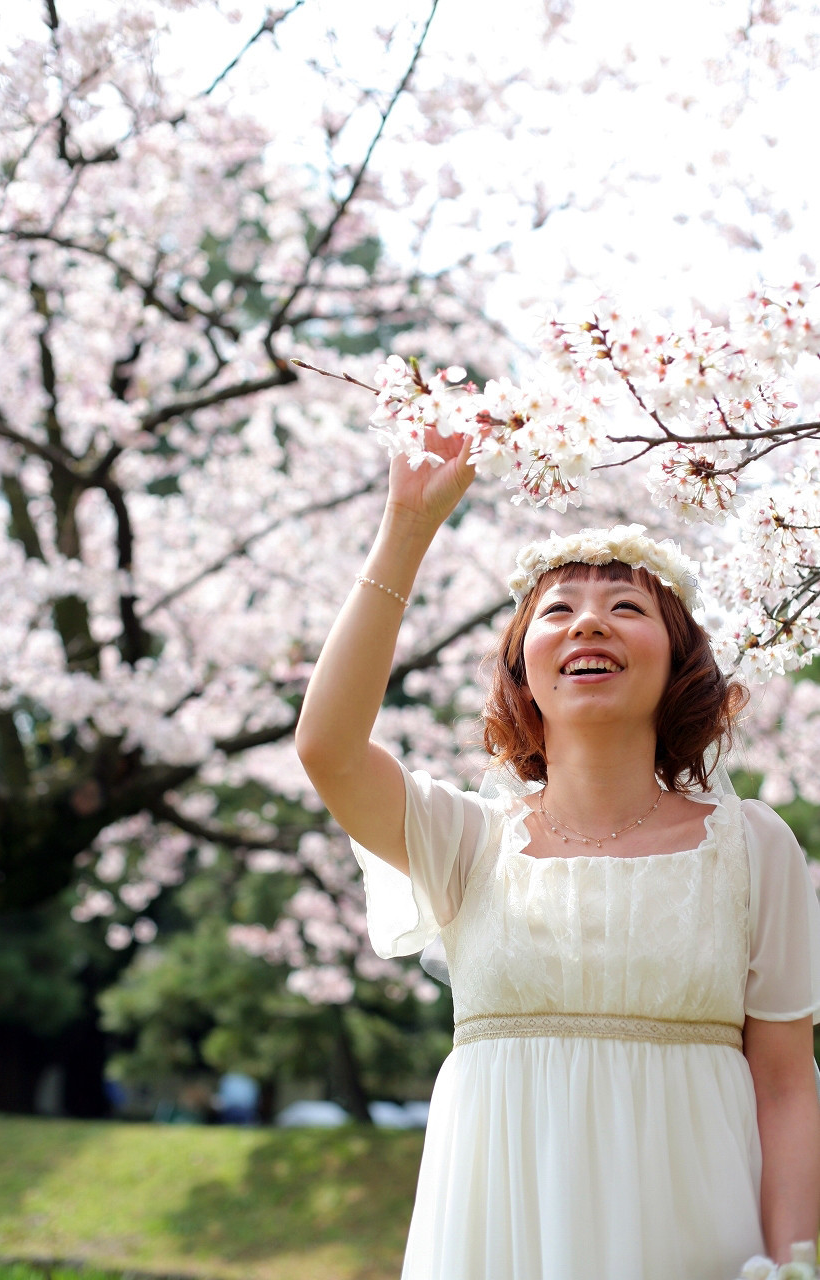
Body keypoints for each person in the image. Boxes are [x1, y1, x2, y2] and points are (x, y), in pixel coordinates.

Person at [295, 425, 820, 1280]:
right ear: (521, 668)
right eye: (557, 610)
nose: (588, 623)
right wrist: (406, 523)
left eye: (624, 607)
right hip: (496, 1237)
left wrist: (791, 1264)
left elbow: (787, 1087)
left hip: (696, 1238)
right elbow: (327, 748)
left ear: (678, 660)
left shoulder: (750, 846)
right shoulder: (463, 839)